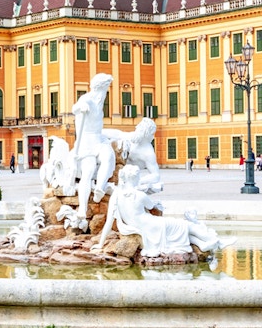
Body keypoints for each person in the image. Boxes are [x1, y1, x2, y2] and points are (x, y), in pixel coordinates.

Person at [92, 164, 235, 257]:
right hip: (150, 225)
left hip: (139, 227)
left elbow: (109, 222)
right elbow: (151, 207)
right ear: (135, 178)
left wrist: (100, 243)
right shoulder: (140, 195)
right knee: (184, 225)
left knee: (177, 232)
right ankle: (215, 240)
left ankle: (204, 244)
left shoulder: (116, 194)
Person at [70, 73, 115, 224]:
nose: (107, 91)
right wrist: (80, 108)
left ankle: (99, 190)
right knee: (88, 170)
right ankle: (82, 207)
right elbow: (74, 108)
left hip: (98, 139)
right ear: (101, 87)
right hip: (86, 141)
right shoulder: (87, 99)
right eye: (106, 87)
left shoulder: (100, 101)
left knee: (108, 156)